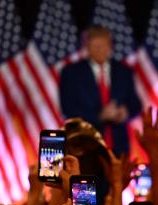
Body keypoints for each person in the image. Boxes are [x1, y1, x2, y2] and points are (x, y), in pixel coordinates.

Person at [59, 25, 142, 155]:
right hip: (85, 147)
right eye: (95, 46)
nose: (99, 50)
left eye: (103, 45)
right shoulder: (71, 73)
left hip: (119, 148)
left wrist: (124, 112)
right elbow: (68, 109)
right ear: (87, 47)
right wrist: (99, 116)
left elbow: (136, 104)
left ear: (110, 46)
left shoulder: (124, 71)